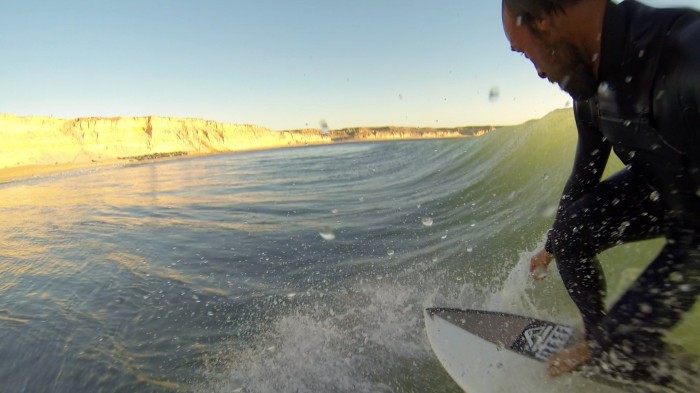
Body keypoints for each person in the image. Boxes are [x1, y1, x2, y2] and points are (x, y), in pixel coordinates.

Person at [501, 0, 700, 383]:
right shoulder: (590, 86)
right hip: (661, 185)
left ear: (545, 22)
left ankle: (617, 345)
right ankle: (616, 347)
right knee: (570, 235)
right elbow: (586, 170)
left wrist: (612, 337)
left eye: (527, 53)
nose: (539, 70)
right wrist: (553, 242)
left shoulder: (686, 57)